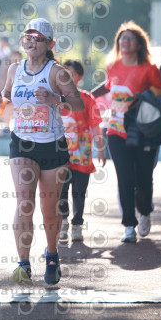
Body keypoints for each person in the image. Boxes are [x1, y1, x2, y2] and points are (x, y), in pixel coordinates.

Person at [0, 18, 84, 286]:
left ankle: (52, 255)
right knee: (24, 202)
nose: (30, 41)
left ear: (49, 44)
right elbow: (7, 95)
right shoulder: (14, 69)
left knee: (49, 209)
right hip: (22, 143)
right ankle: (23, 264)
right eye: (27, 36)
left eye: (37, 37)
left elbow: (78, 104)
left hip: (52, 145)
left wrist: (56, 99)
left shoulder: (57, 73)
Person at [91, 21, 161, 244]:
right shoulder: (113, 66)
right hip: (116, 130)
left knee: (143, 177)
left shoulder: (149, 70)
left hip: (143, 131)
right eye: (122, 38)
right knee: (124, 178)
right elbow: (108, 85)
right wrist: (87, 95)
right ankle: (128, 226)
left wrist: (143, 98)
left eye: (130, 38)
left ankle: (144, 211)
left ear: (139, 44)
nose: (125, 41)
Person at [58, 60, 106, 242]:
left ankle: (77, 224)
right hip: (59, 156)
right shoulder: (55, 98)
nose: (67, 77)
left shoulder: (87, 99)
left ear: (79, 77)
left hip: (81, 156)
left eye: (71, 73)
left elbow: (95, 126)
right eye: (64, 73)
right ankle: (63, 222)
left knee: (79, 191)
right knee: (60, 191)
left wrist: (100, 149)